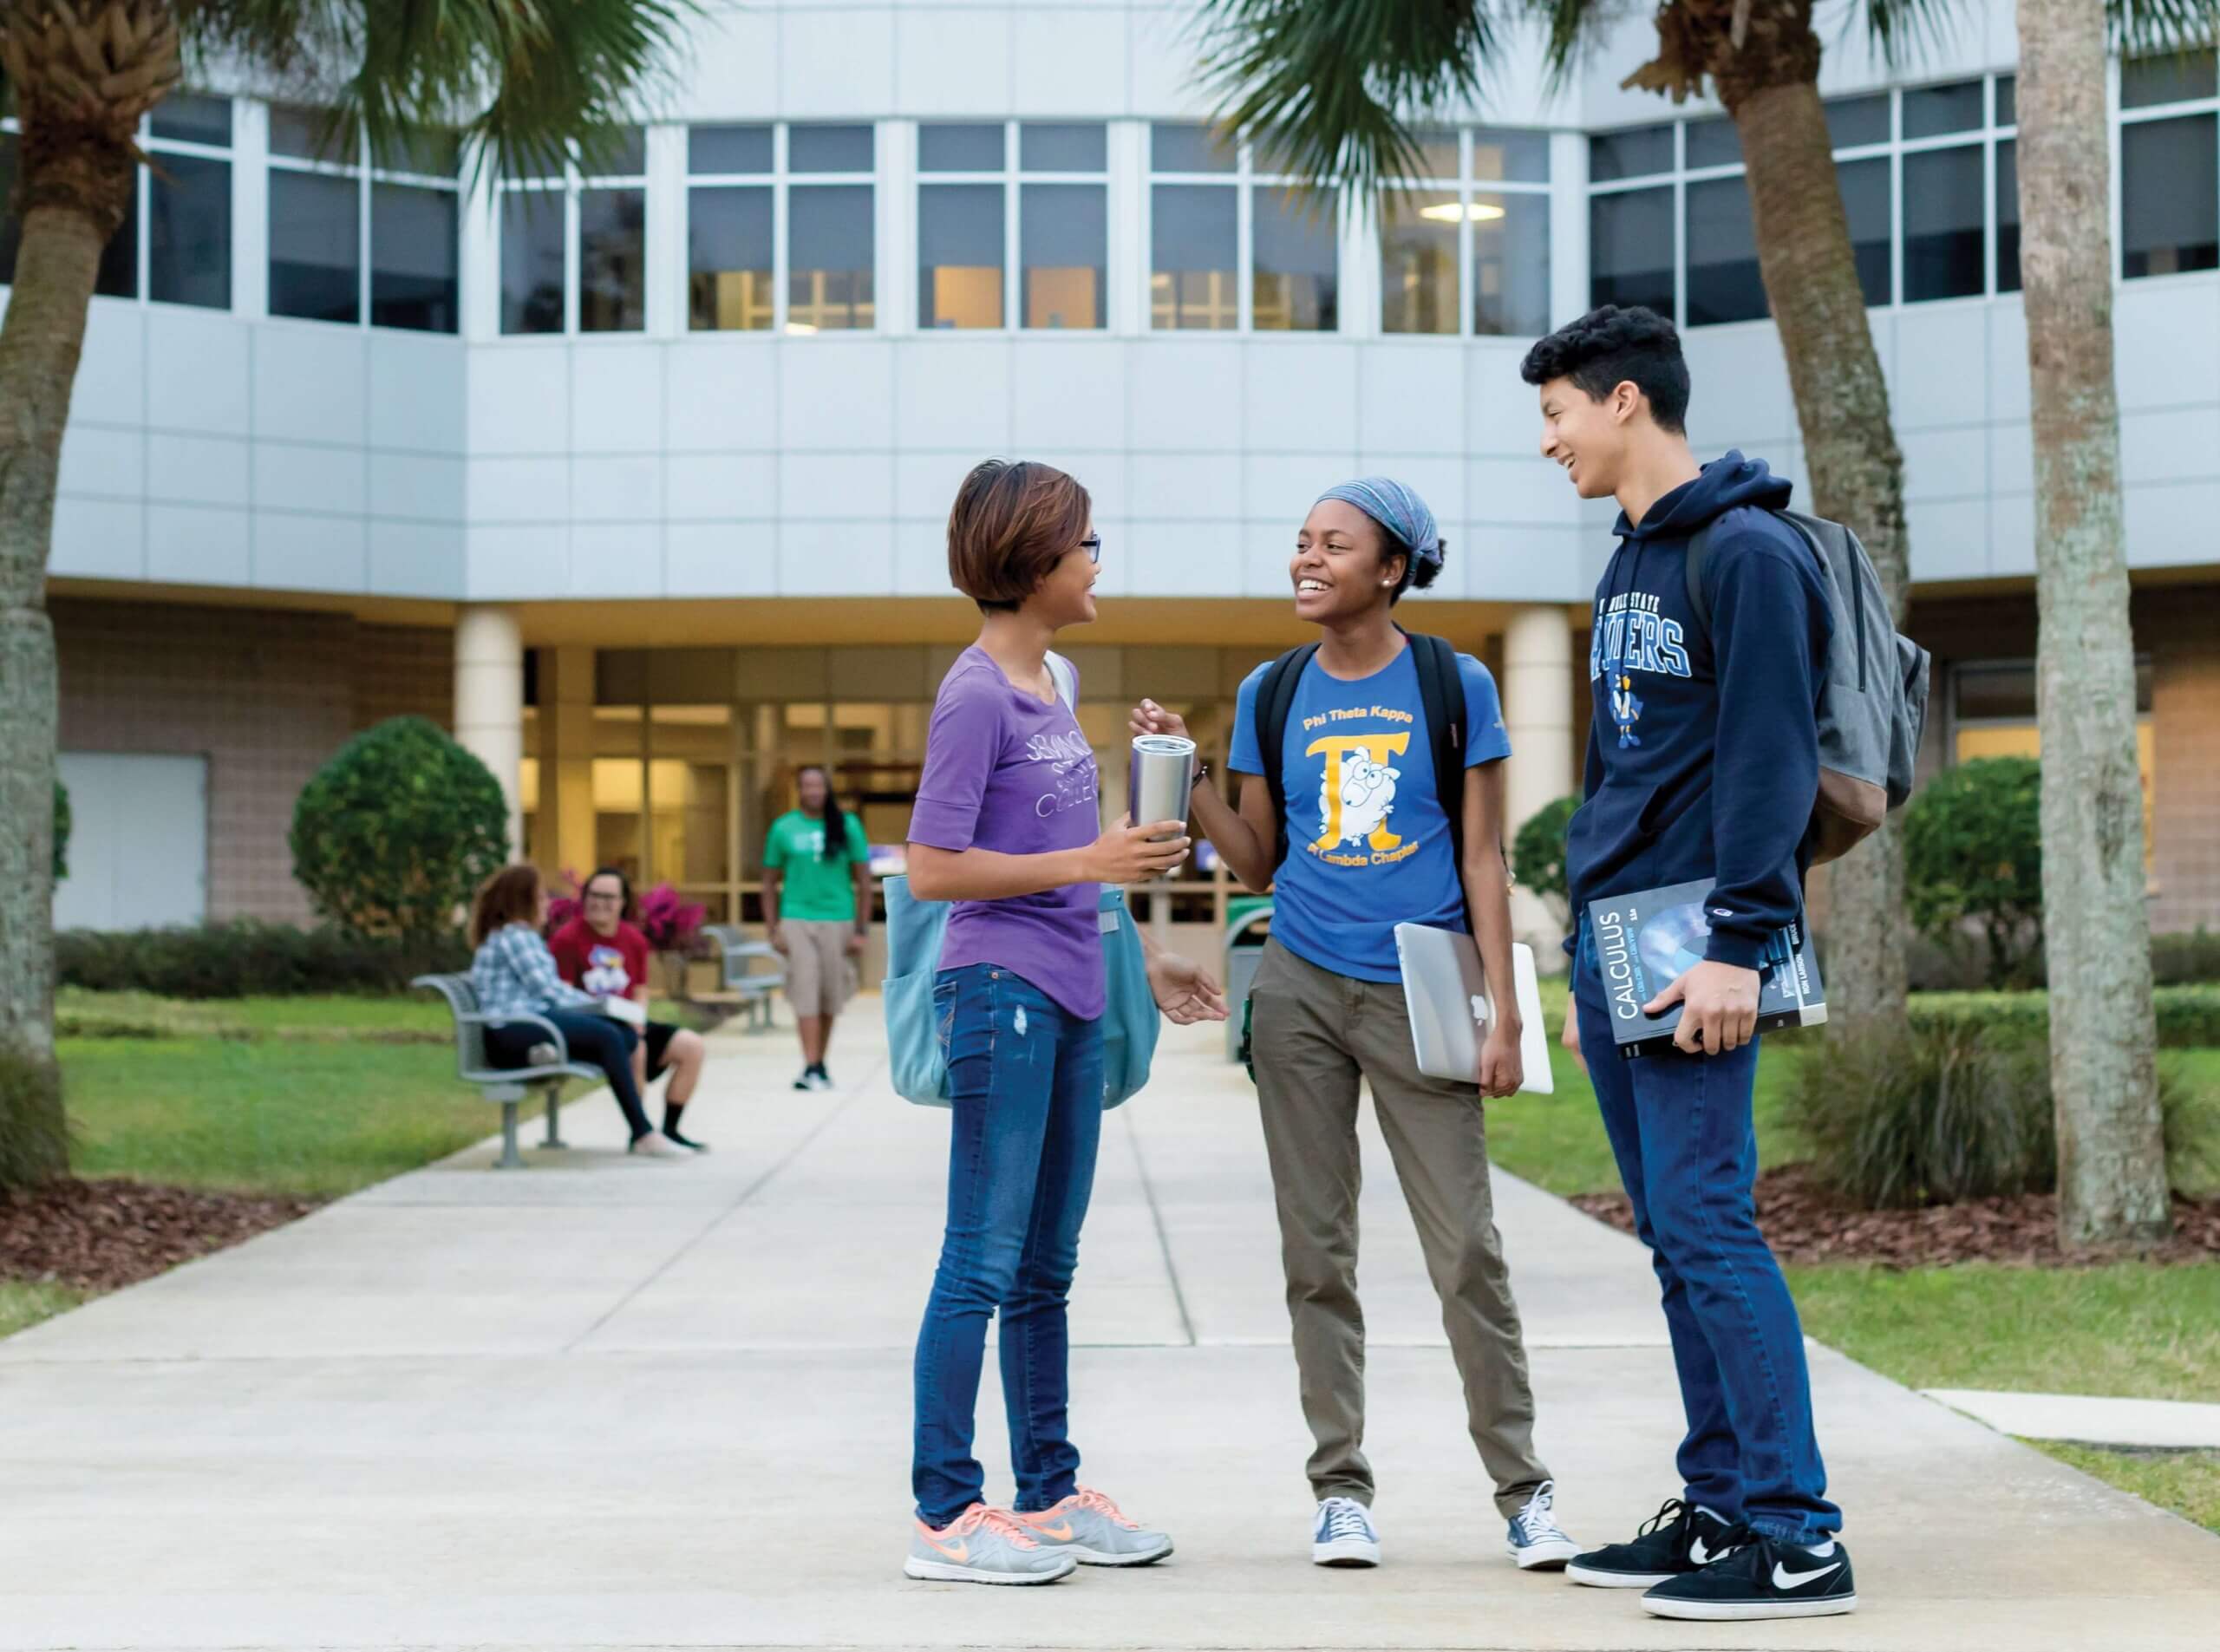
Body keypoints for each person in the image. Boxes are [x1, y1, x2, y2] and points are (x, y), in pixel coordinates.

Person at [1133, 478, 1577, 1575]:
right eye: (1300, 542)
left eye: (1334, 545)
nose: (1307, 559)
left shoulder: (1451, 680)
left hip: (1419, 988)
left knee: (1465, 1248)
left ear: (1392, 567)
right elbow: (1257, 862)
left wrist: (1504, 1014)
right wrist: (1189, 778)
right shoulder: (1270, 691)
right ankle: (1340, 1489)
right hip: (1295, 993)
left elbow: (1483, 856)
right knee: (1316, 1255)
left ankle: (1523, 1494)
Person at [1523, 305, 1853, 1623]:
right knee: (1673, 1235)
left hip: (1695, 943)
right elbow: (1625, 770)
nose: (1547, 442)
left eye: (1555, 414)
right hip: (1621, 944)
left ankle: (1798, 1533)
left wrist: (1738, 945)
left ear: (1621, 403)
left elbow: (1769, 761)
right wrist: (1579, 953)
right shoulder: (1630, 562)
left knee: (1712, 1223)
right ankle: (1721, 1502)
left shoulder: (1747, 550)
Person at [903, 459, 1228, 1587]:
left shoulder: (1056, 680)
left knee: (1048, 1266)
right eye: (1085, 542)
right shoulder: (974, 694)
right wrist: (1087, 858)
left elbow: (1080, 870)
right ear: (1034, 559)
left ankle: (1045, 1492)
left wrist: (1150, 951)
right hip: (1001, 995)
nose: (1098, 560)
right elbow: (935, 866)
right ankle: (946, 1511)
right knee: (981, 1261)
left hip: (1079, 989)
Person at [467, 865, 686, 1159]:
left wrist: (606, 1012)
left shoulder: (519, 936)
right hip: (511, 1030)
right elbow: (550, 991)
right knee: (609, 1035)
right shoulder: (516, 936)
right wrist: (603, 1008)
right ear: (523, 901)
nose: (547, 904)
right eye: (541, 897)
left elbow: (550, 992)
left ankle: (549, 1053)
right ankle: (643, 1132)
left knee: (624, 1036)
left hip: (529, 1023)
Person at [547, 866, 711, 1152]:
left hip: (628, 1020)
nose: (600, 903)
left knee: (692, 1047)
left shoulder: (633, 939)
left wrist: (638, 1017)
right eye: (594, 895)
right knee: (637, 1046)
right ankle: (641, 1133)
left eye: (609, 897)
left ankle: (671, 1131)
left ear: (623, 903)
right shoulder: (567, 939)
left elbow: (640, 990)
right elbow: (561, 996)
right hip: (592, 1027)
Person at [763, 766, 872, 1092]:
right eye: (807, 786)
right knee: (805, 990)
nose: (813, 791)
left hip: (838, 918)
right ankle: (810, 1064)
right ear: (799, 790)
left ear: (827, 790)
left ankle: (820, 1063)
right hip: (796, 917)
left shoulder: (848, 825)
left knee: (829, 994)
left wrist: (861, 929)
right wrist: (773, 928)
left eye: (819, 786)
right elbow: (768, 883)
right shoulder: (783, 828)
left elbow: (864, 883)